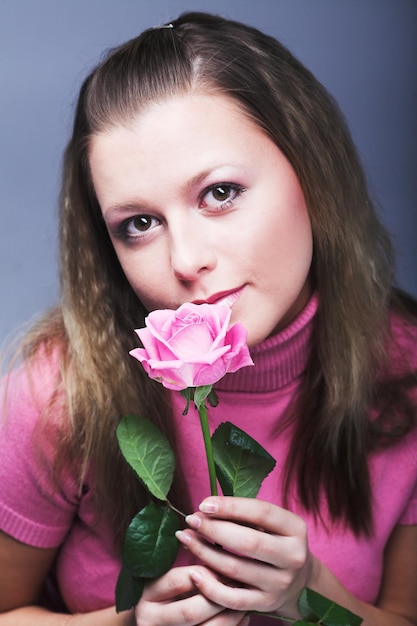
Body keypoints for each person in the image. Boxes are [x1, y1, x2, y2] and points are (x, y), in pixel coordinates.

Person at [0, 11, 416, 626]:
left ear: (312, 170)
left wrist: (309, 591)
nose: (187, 261)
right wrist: (127, 625)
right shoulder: (58, 393)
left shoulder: (406, 371)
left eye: (219, 193)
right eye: (139, 224)